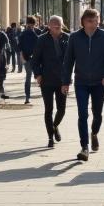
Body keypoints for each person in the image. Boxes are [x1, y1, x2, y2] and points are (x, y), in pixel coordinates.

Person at [61, 7, 104, 162]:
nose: (94, 24)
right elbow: (68, 61)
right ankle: (84, 147)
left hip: (100, 82)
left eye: (96, 20)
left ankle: (94, 133)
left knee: (97, 113)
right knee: (82, 114)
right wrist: (65, 82)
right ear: (83, 22)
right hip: (81, 82)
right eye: (90, 21)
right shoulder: (75, 37)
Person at [31, 14, 68, 147]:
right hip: (46, 80)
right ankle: (50, 137)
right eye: (55, 24)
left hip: (62, 80)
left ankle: (54, 126)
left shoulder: (67, 38)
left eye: (59, 24)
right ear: (49, 26)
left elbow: (72, 59)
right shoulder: (42, 40)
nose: (58, 27)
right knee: (49, 109)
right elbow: (35, 60)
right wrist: (38, 74)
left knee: (62, 109)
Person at [18, 15, 39, 106]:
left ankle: (27, 97)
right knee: (34, 76)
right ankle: (29, 96)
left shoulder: (23, 34)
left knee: (29, 77)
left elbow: (20, 47)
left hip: (28, 57)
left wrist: (22, 57)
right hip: (33, 58)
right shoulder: (35, 33)